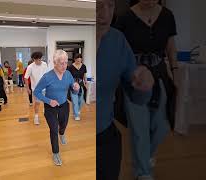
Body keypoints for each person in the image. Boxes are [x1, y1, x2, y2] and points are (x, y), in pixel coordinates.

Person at [114, 0, 178, 179]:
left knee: (162, 125)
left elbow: (171, 46)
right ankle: (143, 173)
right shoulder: (125, 18)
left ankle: (146, 156)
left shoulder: (167, 15)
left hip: (159, 75)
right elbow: (119, 49)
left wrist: (175, 71)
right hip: (134, 78)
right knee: (139, 129)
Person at [97, 0, 154, 179]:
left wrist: (144, 85)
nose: (105, 13)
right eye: (97, 6)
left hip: (105, 138)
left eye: (110, 5)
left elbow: (136, 95)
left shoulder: (117, 40)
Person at [34, 50, 80, 166]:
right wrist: (49, 101)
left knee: (63, 125)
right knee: (53, 129)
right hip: (50, 107)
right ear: (55, 63)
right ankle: (56, 153)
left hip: (64, 105)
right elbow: (36, 92)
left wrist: (76, 87)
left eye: (66, 63)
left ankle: (62, 133)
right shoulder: (47, 77)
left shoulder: (68, 74)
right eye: (61, 63)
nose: (64, 66)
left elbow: (73, 89)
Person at [24, 52, 48, 125]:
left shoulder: (44, 64)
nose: (38, 61)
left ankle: (46, 112)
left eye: (39, 59)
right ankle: (36, 117)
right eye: (36, 60)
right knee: (37, 103)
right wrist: (28, 89)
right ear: (33, 59)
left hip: (45, 87)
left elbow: (47, 75)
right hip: (36, 89)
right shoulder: (30, 67)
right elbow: (25, 78)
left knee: (46, 102)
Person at [67, 54, 87, 120]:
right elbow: (69, 77)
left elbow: (84, 75)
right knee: (75, 100)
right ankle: (76, 115)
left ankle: (77, 110)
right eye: (77, 61)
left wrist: (85, 82)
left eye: (80, 61)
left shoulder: (83, 66)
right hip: (74, 85)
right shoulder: (70, 67)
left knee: (81, 100)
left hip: (81, 84)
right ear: (75, 60)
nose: (79, 62)